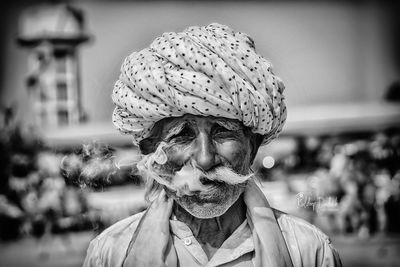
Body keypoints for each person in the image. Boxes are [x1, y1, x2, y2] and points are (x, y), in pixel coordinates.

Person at [83, 23, 342, 267]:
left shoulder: (309, 252)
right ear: (151, 151)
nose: (205, 159)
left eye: (223, 132)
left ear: (253, 144)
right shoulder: (110, 254)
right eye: (182, 135)